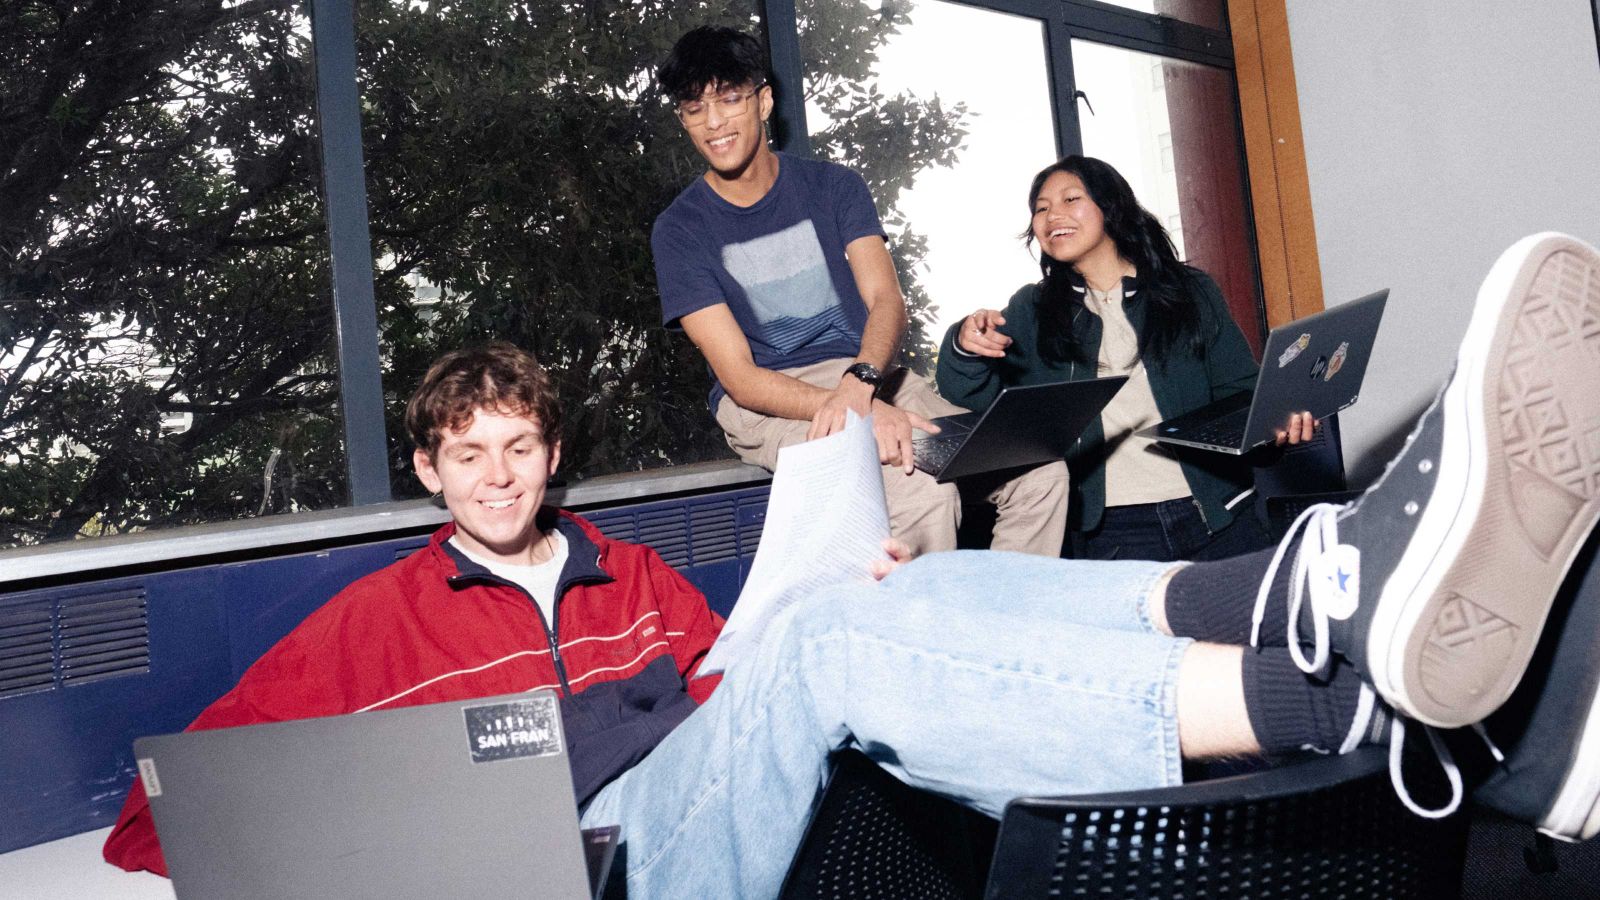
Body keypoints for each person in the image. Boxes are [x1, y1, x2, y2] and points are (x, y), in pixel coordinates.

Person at [105, 233, 1600, 899]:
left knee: (888, 597)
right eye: (465, 457)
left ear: (550, 456)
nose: (496, 479)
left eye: (520, 450)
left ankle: (1345, 668)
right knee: (831, 649)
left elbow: (733, 687)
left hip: (706, 808)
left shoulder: (638, 581)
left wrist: (842, 604)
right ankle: (1332, 631)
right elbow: (165, 821)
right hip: (589, 874)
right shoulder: (374, 622)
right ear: (429, 472)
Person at [650, 26, 1068, 558]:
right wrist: (855, 409)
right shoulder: (680, 229)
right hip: (775, 399)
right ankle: (922, 639)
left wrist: (862, 384)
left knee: (1040, 473)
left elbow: (886, 301)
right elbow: (742, 379)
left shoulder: (833, 185)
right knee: (920, 492)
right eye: (693, 108)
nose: (713, 123)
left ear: (764, 101)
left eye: (729, 99)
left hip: (869, 374)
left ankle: (1006, 626)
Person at [936, 155, 1316, 562]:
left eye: (1070, 199)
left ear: (1110, 206)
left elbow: (1240, 395)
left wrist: (1272, 428)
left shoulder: (1190, 291)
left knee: (1256, 627)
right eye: (1041, 208)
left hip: (1219, 515)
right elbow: (971, 398)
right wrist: (964, 344)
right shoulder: (1032, 308)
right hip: (1112, 533)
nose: (1052, 216)